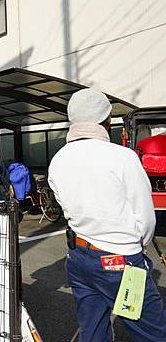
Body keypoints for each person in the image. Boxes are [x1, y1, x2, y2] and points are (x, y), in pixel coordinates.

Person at [48, 88, 166, 341]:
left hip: (79, 257)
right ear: (106, 119)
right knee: (150, 332)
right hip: (120, 259)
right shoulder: (123, 157)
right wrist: (138, 249)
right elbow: (145, 218)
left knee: (93, 330)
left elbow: (64, 204)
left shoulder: (58, 159)